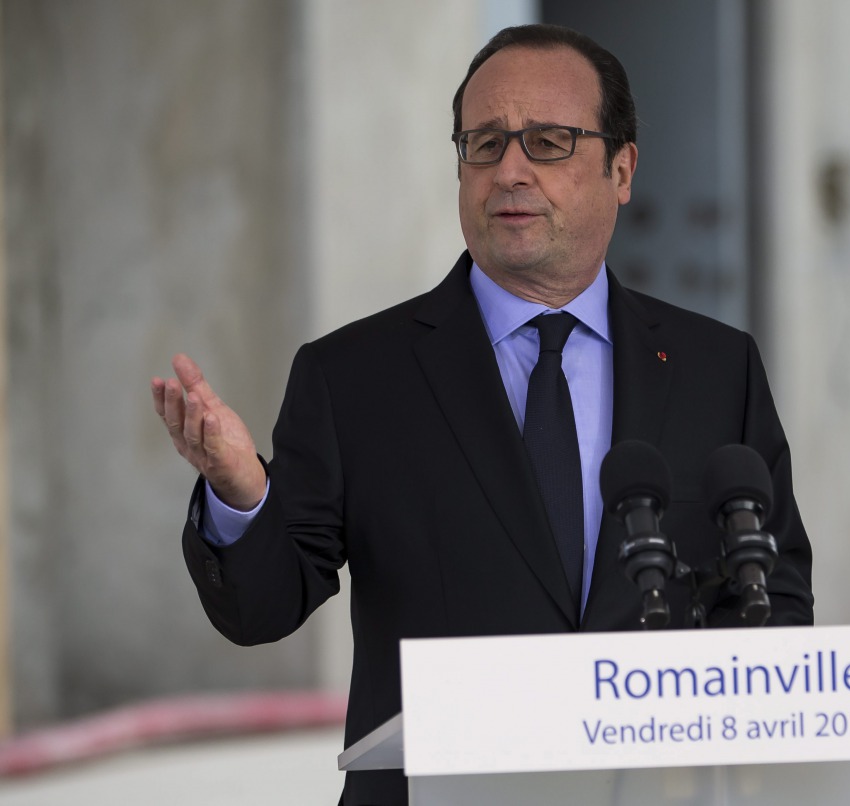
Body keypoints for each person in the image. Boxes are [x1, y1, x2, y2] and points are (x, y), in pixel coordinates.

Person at [151, 23, 813, 806]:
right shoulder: (354, 375)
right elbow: (263, 607)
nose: (510, 171)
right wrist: (240, 494)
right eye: (486, 143)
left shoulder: (717, 368)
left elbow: (778, 604)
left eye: (549, 142)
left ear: (622, 167)